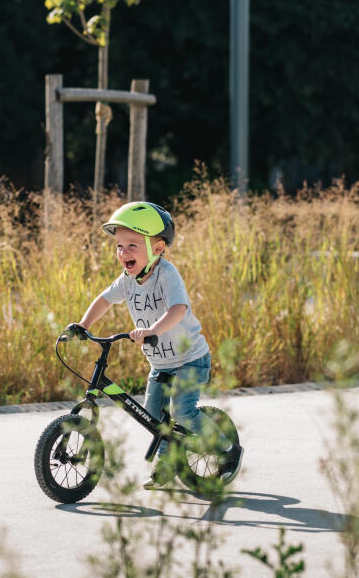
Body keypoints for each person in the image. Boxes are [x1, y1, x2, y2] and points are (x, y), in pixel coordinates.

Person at [73, 201, 243, 488]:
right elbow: (104, 300)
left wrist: (151, 329)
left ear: (159, 248)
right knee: (154, 418)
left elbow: (178, 309)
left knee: (182, 413)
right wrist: (82, 325)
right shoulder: (127, 280)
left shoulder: (167, 274)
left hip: (190, 359)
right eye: (119, 246)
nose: (123, 253)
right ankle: (168, 464)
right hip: (161, 364)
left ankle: (227, 450)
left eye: (132, 246)